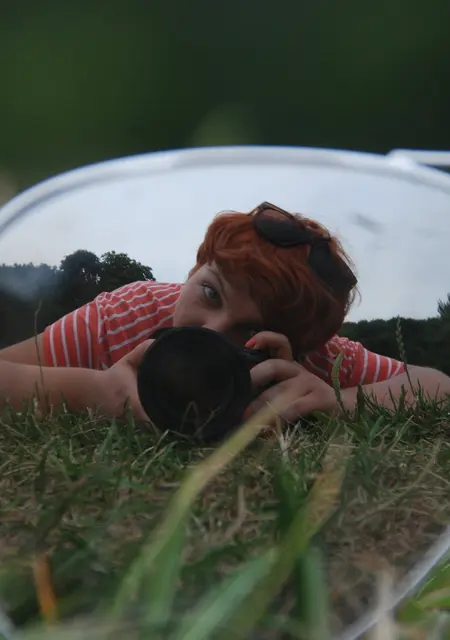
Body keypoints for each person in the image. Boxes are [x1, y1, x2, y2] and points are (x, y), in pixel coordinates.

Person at [1, 202, 449, 425]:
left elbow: (437, 387)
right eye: (210, 293)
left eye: (252, 329)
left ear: (297, 346)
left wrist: (335, 403)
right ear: (192, 271)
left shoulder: (319, 362)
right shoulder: (128, 314)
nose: (213, 331)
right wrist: (98, 392)